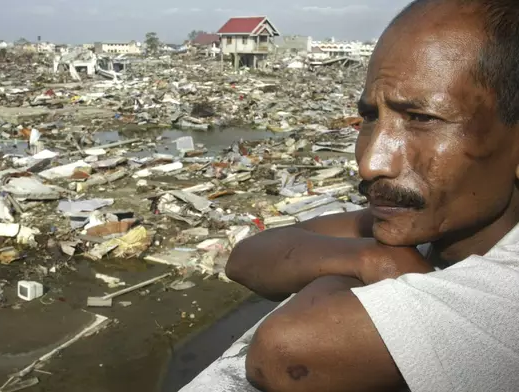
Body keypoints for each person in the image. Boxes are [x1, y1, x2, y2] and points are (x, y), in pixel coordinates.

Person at [179, 0, 519, 391]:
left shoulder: (506, 296)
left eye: (422, 119)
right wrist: (375, 260)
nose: (371, 162)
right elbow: (246, 257)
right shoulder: (424, 228)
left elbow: (287, 352)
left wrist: (350, 269)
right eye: (371, 116)